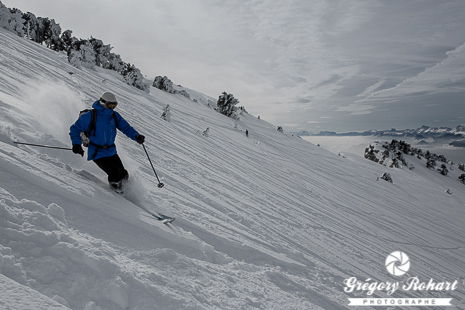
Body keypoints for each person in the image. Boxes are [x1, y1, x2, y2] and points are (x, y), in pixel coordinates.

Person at [69, 91, 145, 192]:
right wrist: (76, 144)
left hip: (111, 151)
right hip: (97, 152)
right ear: (103, 103)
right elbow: (75, 129)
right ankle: (116, 194)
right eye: (110, 105)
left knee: (123, 174)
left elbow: (125, 127)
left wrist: (136, 136)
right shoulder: (90, 116)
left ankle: (127, 193)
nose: (112, 108)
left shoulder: (114, 116)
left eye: (114, 106)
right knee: (115, 173)